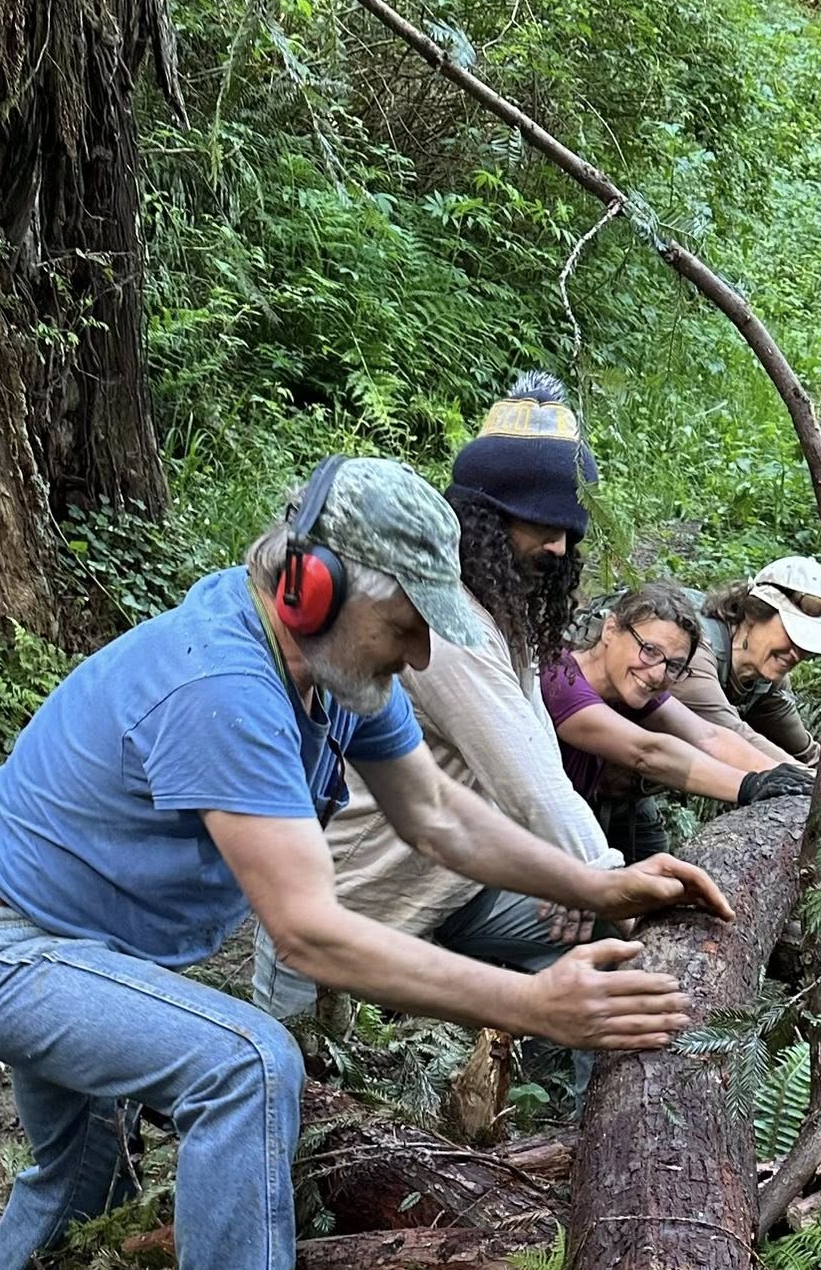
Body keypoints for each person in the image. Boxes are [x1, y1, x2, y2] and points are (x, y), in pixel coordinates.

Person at [0, 456, 730, 1270]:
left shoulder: (340, 676)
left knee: (80, 1174)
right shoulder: (224, 684)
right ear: (314, 584)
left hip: (79, 942)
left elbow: (436, 815)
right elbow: (311, 929)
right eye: (406, 623)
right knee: (245, 1062)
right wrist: (533, 1004)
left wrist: (595, 878)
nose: (422, 650)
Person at [253, 373, 621, 1024]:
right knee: (289, 1080)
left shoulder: (506, 616)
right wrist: (593, 873)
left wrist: (582, 876)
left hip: (448, 884)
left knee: (611, 953)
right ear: (485, 519)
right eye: (543, 524)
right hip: (350, 903)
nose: (561, 546)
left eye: (570, 528)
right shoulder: (446, 631)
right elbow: (529, 784)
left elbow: (516, 757)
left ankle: (582, 1113)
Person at [542, 580, 812, 860]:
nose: (657, 674)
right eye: (649, 650)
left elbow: (709, 736)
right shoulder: (560, 679)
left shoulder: (632, 684)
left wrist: (804, 782)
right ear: (611, 629)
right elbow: (646, 752)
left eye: (673, 666)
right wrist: (750, 785)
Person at [669, 556, 821, 766]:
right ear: (754, 613)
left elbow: (806, 754)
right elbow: (729, 736)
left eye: (807, 644)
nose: (798, 653)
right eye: (792, 635)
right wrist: (813, 782)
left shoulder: (765, 682)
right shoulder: (693, 648)